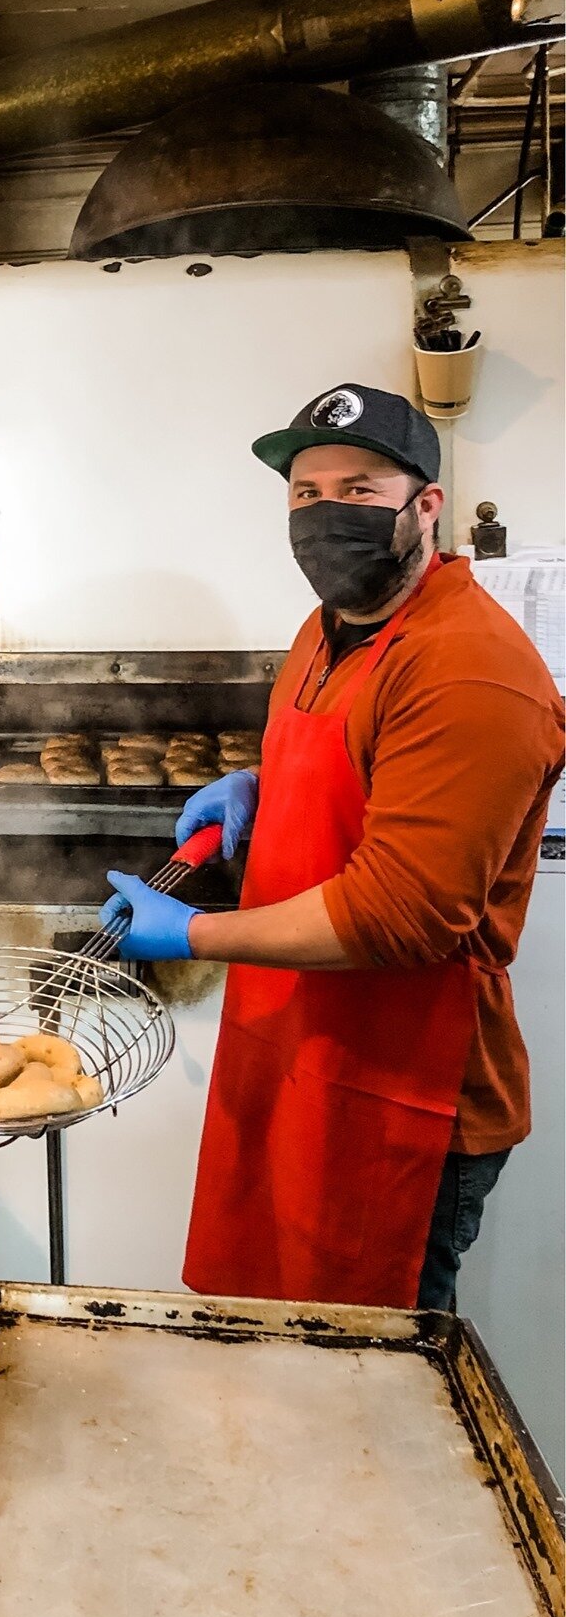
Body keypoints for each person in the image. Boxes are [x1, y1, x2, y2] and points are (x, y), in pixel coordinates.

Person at [102, 383, 564, 1312]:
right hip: (304, 1060)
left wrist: (191, 936)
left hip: (407, 1093)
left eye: (359, 490)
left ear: (424, 505)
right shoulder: (328, 630)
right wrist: (268, 791)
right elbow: (371, 775)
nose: (325, 516)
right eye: (306, 495)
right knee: (281, 1360)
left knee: (374, 1401)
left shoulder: (471, 668)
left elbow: (402, 915)